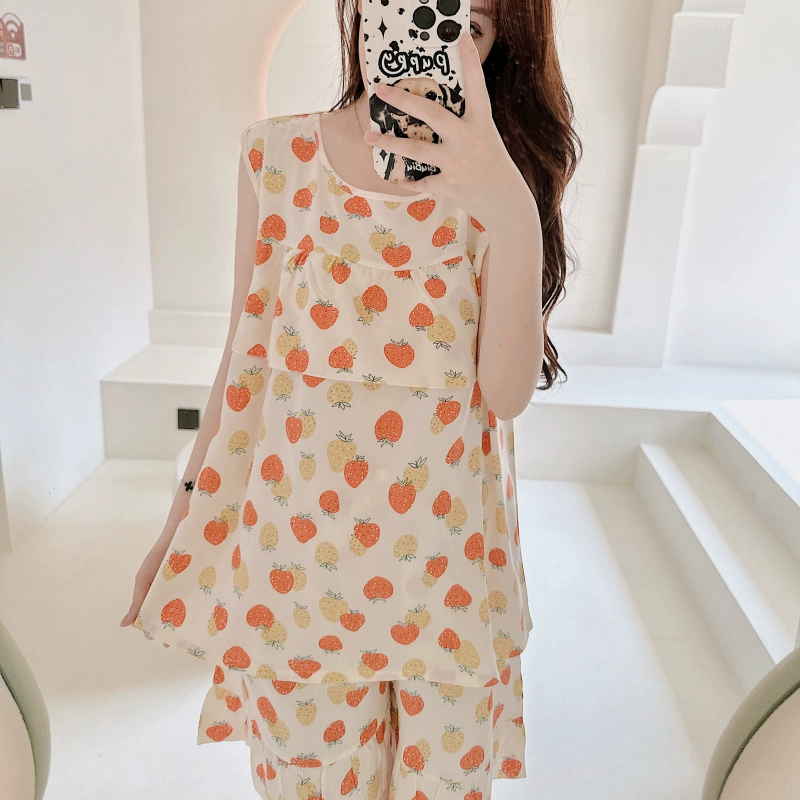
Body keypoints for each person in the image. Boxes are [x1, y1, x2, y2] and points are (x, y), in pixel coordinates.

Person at [120, 1, 580, 798]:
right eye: (414, 9)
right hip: (295, 576)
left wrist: (511, 209)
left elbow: (504, 396)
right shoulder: (278, 158)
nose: (434, 38)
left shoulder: (500, 185)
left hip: (451, 579)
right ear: (364, 8)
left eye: (468, 26)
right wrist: (182, 518)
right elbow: (244, 359)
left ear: (498, 48)